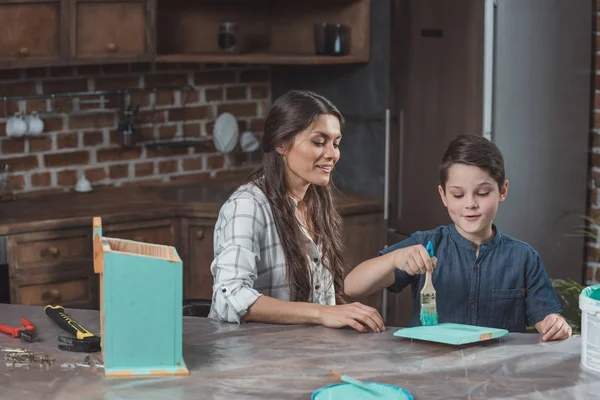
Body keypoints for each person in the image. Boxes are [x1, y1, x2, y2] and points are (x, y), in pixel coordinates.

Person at [344, 134, 571, 341]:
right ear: (443, 195)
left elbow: (547, 318)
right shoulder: (426, 245)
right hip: (431, 368)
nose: (470, 204)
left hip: (497, 376)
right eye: (458, 194)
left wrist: (555, 324)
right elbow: (353, 286)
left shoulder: (524, 258)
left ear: (503, 190)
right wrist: (393, 259)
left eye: (482, 193)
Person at [208, 90, 385, 333]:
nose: (332, 154)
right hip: (251, 360)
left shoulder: (316, 201)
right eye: (318, 142)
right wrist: (323, 313)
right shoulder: (247, 205)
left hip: (305, 355)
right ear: (281, 143)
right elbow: (230, 297)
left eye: (336, 143)